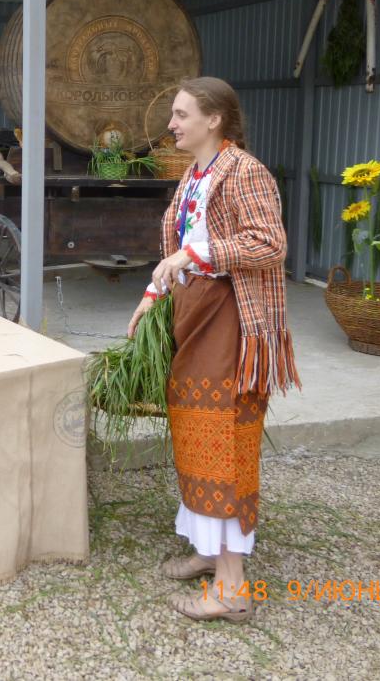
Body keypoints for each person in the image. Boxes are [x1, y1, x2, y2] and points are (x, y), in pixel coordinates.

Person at [127, 76, 300, 623]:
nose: (172, 124)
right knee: (197, 432)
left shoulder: (245, 171)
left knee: (221, 440)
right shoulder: (196, 175)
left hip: (232, 320)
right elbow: (179, 247)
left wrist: (193, 257)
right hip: (196, 315)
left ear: (214, 120)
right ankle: (208, 550)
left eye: (181, 114)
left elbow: (269, 242)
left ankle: (232, 589)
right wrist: (154, 294)